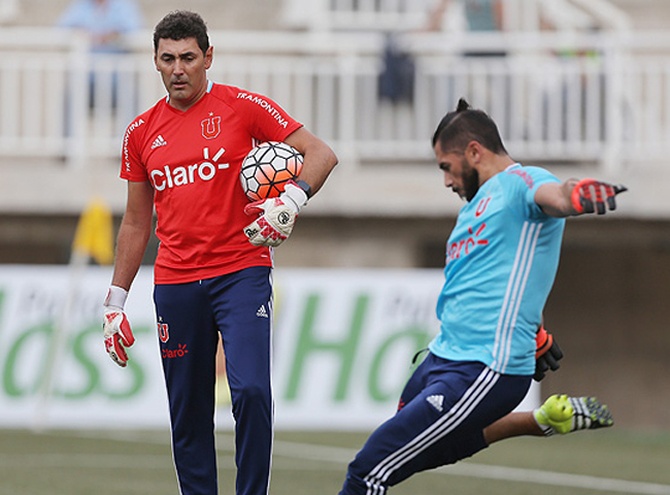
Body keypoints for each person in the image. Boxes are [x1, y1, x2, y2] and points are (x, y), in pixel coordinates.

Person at [101, 10, 337, 495]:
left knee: (250, 390)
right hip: (175, 283)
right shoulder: (140, 132)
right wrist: (114, 303)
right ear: (155, 62)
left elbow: (321, 154)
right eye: (168, 59)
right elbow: (136, 221)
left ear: (208, 57)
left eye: (188, 57)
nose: (178, 68)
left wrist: (289, 201)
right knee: (187, 411)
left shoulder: (243, 107)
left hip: (241, 271)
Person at [338, 98, 623, 494]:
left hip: (484, 365)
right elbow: (502, 275)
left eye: (446, 167)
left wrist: (574, 196)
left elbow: (555, 195)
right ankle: (541, 420)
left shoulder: (520, 183)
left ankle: (535, 421)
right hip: (444, 356)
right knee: (418, 450)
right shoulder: (475, 206)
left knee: (369, 469)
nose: (446, 180)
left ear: (474, 151)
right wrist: (536, 328)